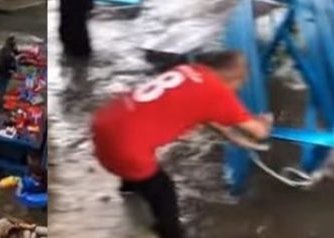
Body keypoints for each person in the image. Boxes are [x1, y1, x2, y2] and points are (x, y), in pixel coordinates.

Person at [91, 50, 273, 238]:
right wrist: (265, 121)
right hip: (124, 148)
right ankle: (171, 233)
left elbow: (204, 112)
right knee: (163, 191)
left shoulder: (189, 70)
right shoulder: (219, 94)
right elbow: (259, 132)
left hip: (106, 121)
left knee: (136, 150)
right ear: (236, 77)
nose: (239, 89)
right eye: (241, 83)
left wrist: (229, 133)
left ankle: (130, 187)